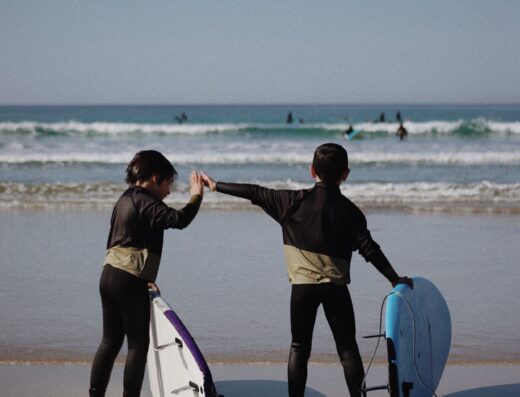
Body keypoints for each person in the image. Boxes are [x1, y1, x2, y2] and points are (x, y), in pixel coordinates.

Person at [201, 143, 412, 397]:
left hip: (302, 289)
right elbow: (370, 249)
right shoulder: (351, 213)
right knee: (347, 349)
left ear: (312, 170)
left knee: (299, 348)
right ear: (345, 174)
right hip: (336, 289)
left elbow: (254, 192)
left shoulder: (290, 201)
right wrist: (394, 278)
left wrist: (216, 185)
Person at [89, 150, 205, 397]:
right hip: (128, 279)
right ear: (155, 178)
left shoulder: (124, 199)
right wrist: (196, 196)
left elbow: (121, 240)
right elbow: (178, 219)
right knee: (138, 346)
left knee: (109, 342)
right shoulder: (145, 201)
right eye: (168, 184)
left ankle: (95, 394)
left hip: (109, 275)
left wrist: (146, 277)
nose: (169, 192)